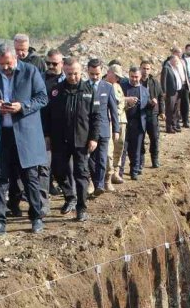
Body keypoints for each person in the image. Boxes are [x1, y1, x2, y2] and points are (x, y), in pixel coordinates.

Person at [0, 42, 48, 238]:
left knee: (30, 178)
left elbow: (42, 98)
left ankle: (36, 217)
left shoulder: (30, 71)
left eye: (9, 63)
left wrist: (23, 106)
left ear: (16, 58)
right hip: (1, 135)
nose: (6, 68)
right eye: (2, 64)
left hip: (25, 134)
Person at [43, 58, 99, 221]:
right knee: (59, 171)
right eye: (69, 74)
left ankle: (81, 207)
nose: (72, 77)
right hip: (60, 139)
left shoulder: (88, 90)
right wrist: (47, 135)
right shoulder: (56, 91)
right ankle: (70, 197)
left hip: (81, 140)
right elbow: (47, 115)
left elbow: (96, 116)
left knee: (81, 174)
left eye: (75, 73)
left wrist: (93, 138)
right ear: (64, 71)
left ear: (81, 72)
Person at [85, 59, 119, 196]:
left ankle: (99, 184)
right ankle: (93, 182)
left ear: (102, 71)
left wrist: (116, 129)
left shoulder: (108, 87)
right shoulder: (83, 87)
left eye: (97, 74)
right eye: (92, 74)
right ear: (87, 71)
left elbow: (113, 110)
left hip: (104, 129)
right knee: (90, 159)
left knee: (102, 158)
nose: (95, 77)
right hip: (88, 130)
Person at [39, 49, 65, 210]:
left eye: (54, 64)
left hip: (62, 130)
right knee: (44, 166)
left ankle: (70, 196)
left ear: (61, 64)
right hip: (44, 128)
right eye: (48, 63)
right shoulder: (40, 80)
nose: (50, 66)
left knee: (63, 166)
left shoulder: (67, 80)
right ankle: (43, 202)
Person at [120, 66, 151, 180]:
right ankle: (120, 173)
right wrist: (127, 100)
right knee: (123, 149)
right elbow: (117, 99)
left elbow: (147, 107)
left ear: (140, 77)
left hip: (138, 124)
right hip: (124, 123)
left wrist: (151, 104)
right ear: (129, 75)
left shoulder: (144, 90)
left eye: (136, 77)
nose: (134, 79)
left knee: (136, 149)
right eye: (132, 77)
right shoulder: (123, 87)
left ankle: (134, 171)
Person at [104, 64, 128, 186]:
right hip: (109, 121)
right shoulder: (103, 86)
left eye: (119, 77)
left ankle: (116, 172)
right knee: (109, 149)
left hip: (121, 119)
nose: (118, 79)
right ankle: (108, 174)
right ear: (109, 73)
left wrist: (126, 103)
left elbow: (122, 101)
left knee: (120, 145)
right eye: (116, 76)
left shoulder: (117, 86)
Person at [140, 59, 164, 170]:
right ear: (140, 69)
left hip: (153, 114)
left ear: (150, 70)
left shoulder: (154, 82)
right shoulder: (136, 81)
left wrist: (162, 111)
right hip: (140, 114)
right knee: (140, 138)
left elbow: (160, 97)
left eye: (147, 68)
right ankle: (141, 161)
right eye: (143, 68)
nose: (145, 71)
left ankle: (155, 159)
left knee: (154, 137)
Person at [162, 54, 186, 134]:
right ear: (171, 60)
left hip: (177, 92)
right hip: (170, 93)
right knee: (169, 110)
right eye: (176, 61)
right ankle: (169, 128)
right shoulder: (166, 68)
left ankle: (174, 125)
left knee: (176, 110)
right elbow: (163, 81)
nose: (177, 62)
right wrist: (164, 92)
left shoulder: (175, 68)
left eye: (177, 61)